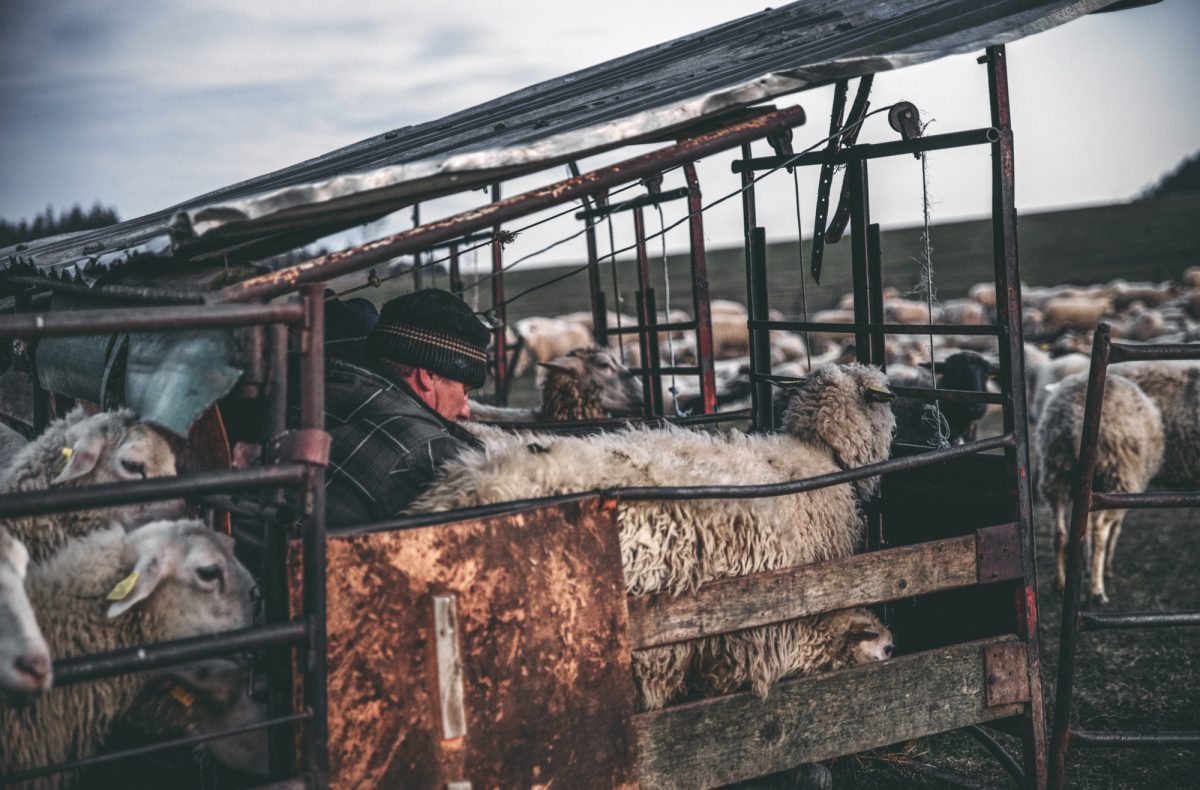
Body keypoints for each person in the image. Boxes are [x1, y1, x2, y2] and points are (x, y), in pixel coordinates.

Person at [322, 288, 489, 526]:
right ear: (428, 376)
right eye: (465, 391)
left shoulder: (325, 391)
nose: (466, 410)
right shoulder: (426, 450)